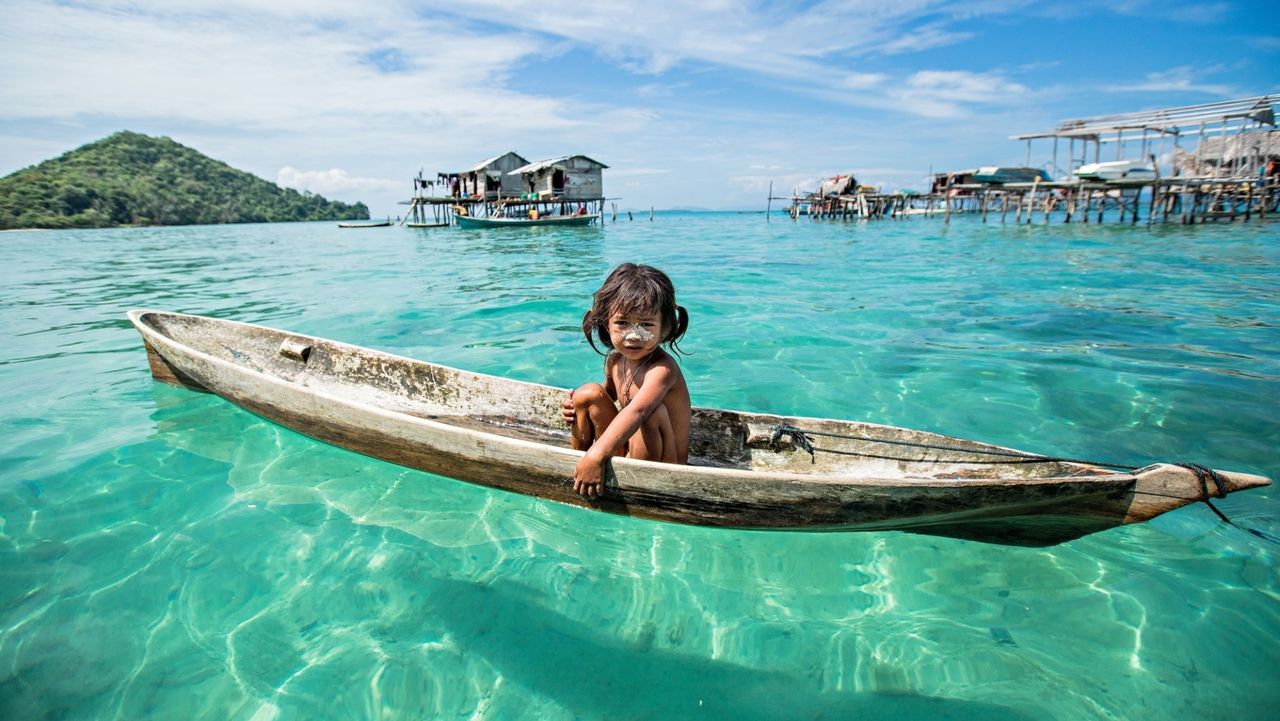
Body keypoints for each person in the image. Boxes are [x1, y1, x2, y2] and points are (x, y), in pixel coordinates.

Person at [562, 263, 691, 498]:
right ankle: (578, 465)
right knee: (587, 393)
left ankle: (599, 463)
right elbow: (607, 398)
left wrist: (597, 454)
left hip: (666, 464)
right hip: (628, 450)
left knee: (650, 411)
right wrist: (573, 407)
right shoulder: (614, 361)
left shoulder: (662, 369)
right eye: (622, 323)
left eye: (646, 324)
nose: (634, 335)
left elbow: (638, 411)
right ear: (605, 323)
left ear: (664, 328)